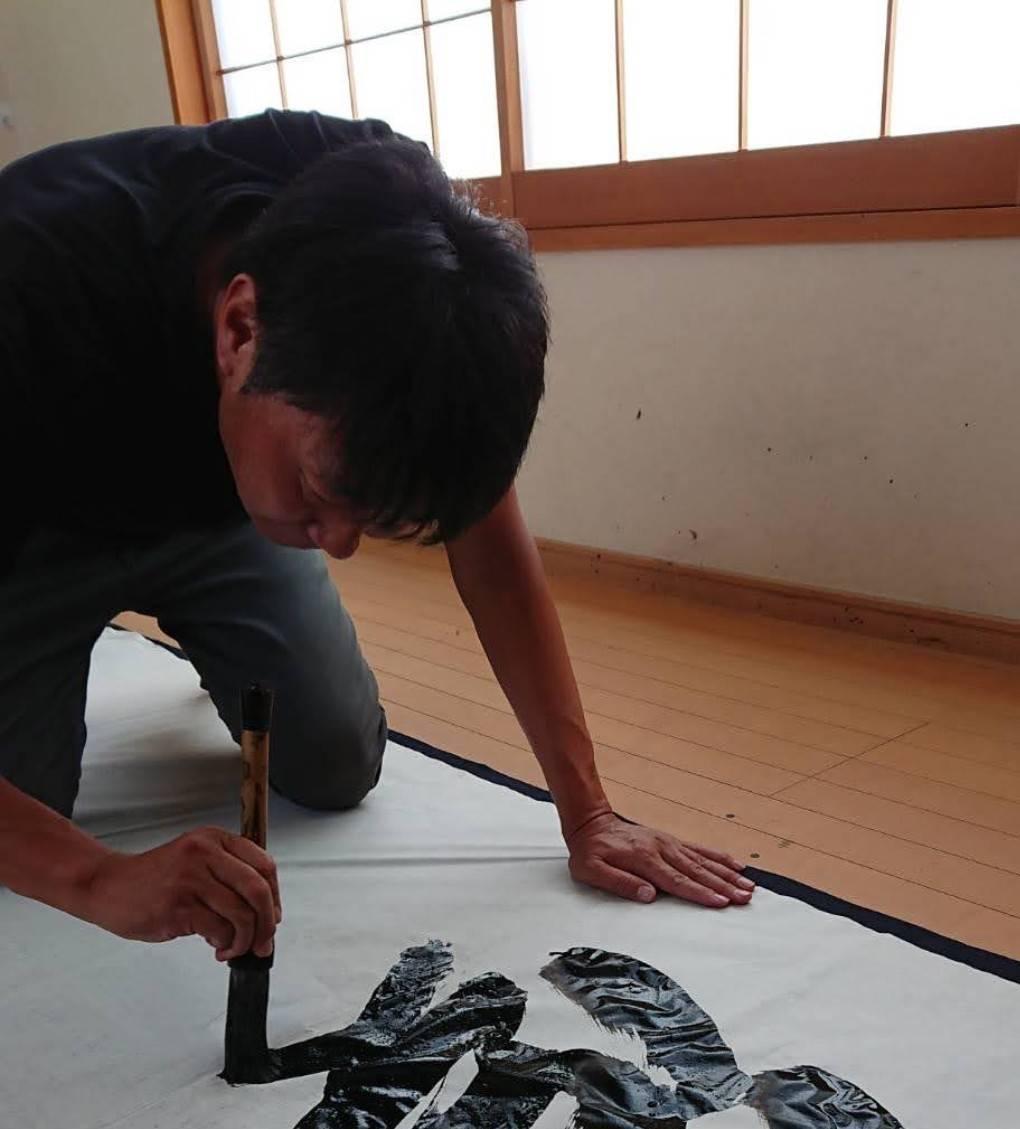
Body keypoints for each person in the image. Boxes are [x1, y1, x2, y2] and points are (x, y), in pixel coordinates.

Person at [0, 110, 754, 965]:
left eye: (369, 517)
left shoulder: (414, 271)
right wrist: (99, 879)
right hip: (38, 538)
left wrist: (588, 813)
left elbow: (489, 544)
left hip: (223, 509)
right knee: (32, 820)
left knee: (335, 759)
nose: (340, 547)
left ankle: (221, 613)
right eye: (327, 496)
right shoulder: (28, 297)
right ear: (239, 330)